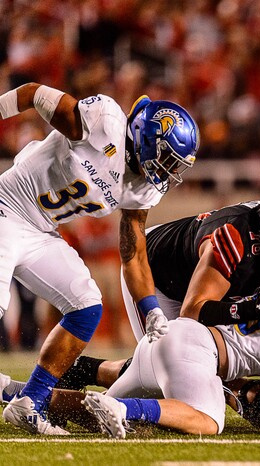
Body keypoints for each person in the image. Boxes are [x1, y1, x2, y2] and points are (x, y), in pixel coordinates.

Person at [3, 249, 260, 436]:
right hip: (197, 351)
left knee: (97, 419)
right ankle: (121, 406)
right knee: (208, 421)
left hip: (171, 341)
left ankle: (18, 395)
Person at [0, 83, 199, 435]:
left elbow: (133, 248)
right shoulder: (104, 123)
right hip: (7, 209)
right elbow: (33, 93)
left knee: (86, 305)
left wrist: (150, 306)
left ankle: (30, 402)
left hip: (41, 230)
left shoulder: (144, 185)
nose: (169, 172)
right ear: (148, 136)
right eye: (167, 159)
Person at [49, 187, 260, 393]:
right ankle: (85, 370)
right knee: (168, 372)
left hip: (199, 282)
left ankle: (244, 396)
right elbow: (194, 310)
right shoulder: (234, 241)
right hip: (156, 275)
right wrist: (250, 309)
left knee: (199, 364)